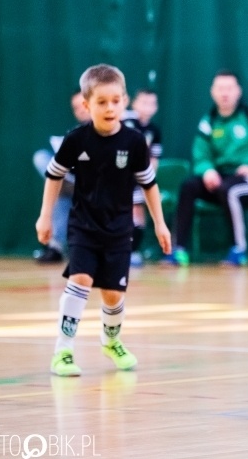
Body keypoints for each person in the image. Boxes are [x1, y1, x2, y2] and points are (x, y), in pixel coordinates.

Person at [36, 64, 172, 377]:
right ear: (86, 105)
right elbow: (53, 176)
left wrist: (160, 224)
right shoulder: (76, 140)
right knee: (80, 280)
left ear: (125, 101)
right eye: (101, 102)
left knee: (113, 295)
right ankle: (63, 351)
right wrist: (45, 217)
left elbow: (149, 185)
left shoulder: (135, 142)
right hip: (83, 225)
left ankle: (111, 341)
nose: (110, 108)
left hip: (119, 229)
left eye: (116, 101)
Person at [164, 70, 248, 267]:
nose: (225, 93)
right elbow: (201, 155)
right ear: (212, 92)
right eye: (220, 89)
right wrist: (207, 170)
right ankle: (179, 251)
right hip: (224, 178)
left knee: (230, 190)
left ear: (238, 91)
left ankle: (238, 251)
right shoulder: (209, 121)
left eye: (229, 88)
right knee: (189, 186)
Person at [32, 90, 91, 263]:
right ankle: (55, 247)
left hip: (96, 186)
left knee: (60, 186)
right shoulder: (74, 134)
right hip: (72, 178)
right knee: (43, 160)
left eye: (83, 105)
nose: (80, 110)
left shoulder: (111, 132)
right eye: (76, 108)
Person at [122, 88, 163, 268]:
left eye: (152, 103)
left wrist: (147, 178)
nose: (147, 107)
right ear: (133, 103)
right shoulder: (124, 121)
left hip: (138, 181)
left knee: (137, 212)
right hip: (119, 179)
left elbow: (154, 159)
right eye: (143, 102)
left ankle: (134, 251)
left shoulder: (154, 131)